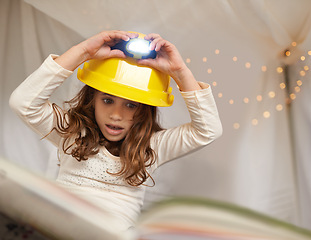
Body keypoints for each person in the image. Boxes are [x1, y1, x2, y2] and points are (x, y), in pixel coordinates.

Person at [9, 30, 222, 231]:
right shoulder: (72, 132)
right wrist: (84, 51)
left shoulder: (152, 146)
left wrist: (179, 72)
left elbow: (208, 130)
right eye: (108, 100)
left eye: (131, 105)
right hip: (60, 227)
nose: (117, 115)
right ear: (92, 100)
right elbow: (24, 103)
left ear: (145, 110)